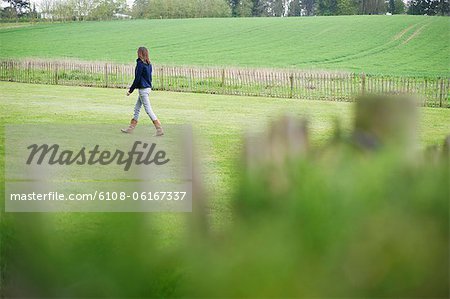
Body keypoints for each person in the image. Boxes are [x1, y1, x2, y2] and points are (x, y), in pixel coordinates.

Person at [121, 46, 164, 136]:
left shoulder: (140, 64)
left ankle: (159, 129)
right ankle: (131, 128)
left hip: (143, 90)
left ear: (140, 53)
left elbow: (137, 78)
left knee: (148, 110)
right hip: (147, 88)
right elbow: (149, 78)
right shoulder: (149, 64)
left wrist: (130, 90)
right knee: (137, 108)